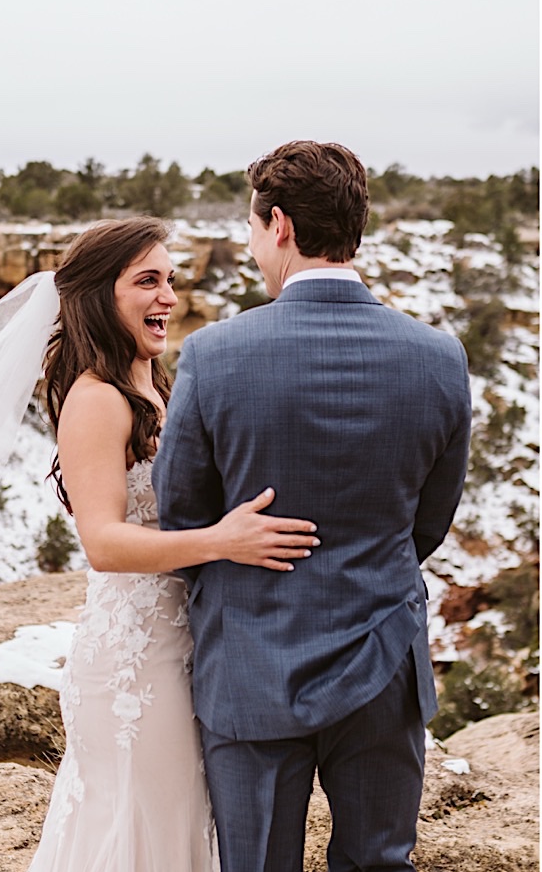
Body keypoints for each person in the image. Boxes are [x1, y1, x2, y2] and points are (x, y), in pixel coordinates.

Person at [0, 216, 320, 871]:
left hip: (182, 651)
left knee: (172, 831)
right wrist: (222, 540)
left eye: (171, 280)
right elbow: (104, 542)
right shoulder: (97, 399)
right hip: (134, 664)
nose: (168, 297)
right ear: (100, 296)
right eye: (147, 281)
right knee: (146, 836)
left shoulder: (153, 383)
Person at [153, 140, 471, 872]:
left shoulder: (215, 353)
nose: (253, 245)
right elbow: (430, 520)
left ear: (282, 226)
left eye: (253, 228)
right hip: (382, 653)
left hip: (250, 659)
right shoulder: (438, 355)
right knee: (379, 862)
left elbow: (182, 515)